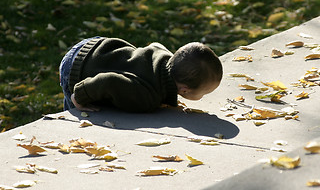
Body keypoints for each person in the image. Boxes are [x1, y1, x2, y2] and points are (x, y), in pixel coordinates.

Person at [59, 37, 222, 112]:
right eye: (205, 93)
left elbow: (156, 44)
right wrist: (80, 96)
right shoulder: (147, 97)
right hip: (77, 67)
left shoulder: (165, 58)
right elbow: (109, 81)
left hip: (99, 45)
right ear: (184, 90)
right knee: (80, 112)